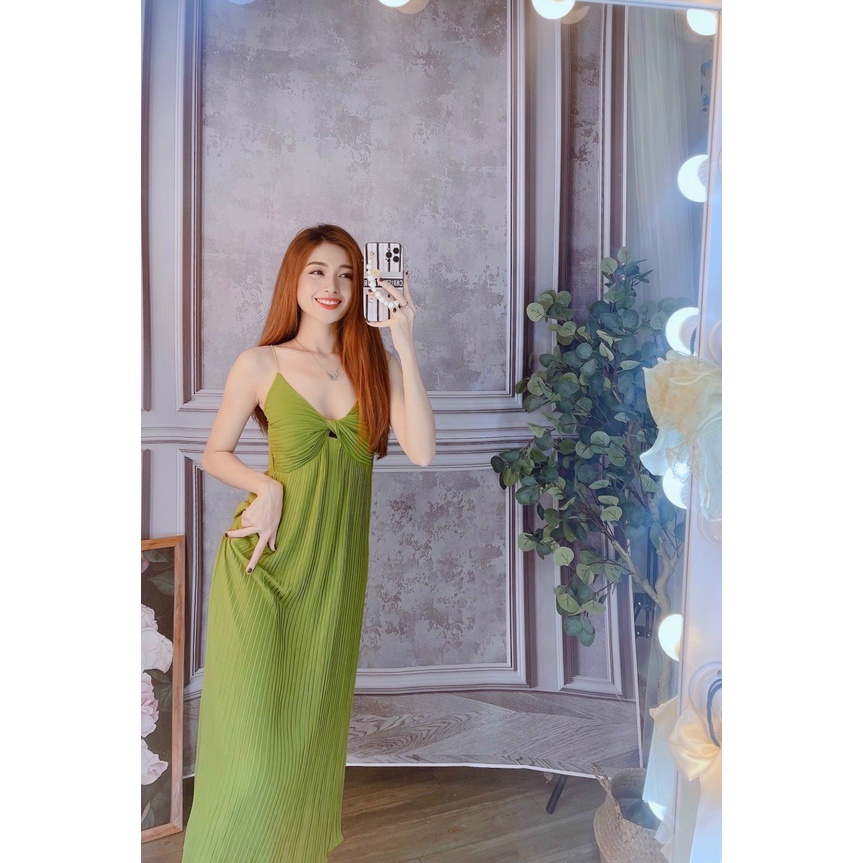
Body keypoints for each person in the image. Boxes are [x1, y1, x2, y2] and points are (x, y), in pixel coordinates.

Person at [180, 224, 435, 862]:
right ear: (293, 280)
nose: (332, 286)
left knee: (308, 739)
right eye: (318, 271)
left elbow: (423, 452)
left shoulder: (373, 367)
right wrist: (264, 486)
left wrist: (404, 341)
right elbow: (215, 453)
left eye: (347, 274)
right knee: (251, 751)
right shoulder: (260, 363)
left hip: (334, 574)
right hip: (262, 565)